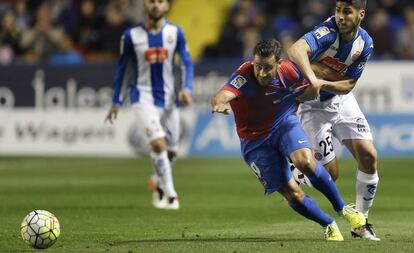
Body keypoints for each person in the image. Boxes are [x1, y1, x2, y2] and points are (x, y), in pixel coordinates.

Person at [211, 39, 366, 241]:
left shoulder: (290, 71)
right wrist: (220, 104)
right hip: (254, 142)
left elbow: (310, 91)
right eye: (258, 66)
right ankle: (327, 224)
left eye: (268, 67)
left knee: (306, 162)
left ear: (278, 63)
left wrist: (315, 89)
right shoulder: (244, 75)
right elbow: (221, 95)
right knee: (292, 193)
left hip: (284, 124)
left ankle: (343, 207)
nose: (262, 73)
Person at [287, 0, 380, 240]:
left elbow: (349, 84)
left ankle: (360, 223)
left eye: (347, 12)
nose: (340, 16)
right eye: (338, 10)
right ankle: (295, 170)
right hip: (311, 108)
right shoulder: (327, 32)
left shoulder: (365, 43)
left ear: (361, 14)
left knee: (369, 155)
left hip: (342, 102)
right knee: (330, 175)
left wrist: (324, 80)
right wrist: (312, 76)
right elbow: (295, 50)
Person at [105, 0, 193, 210]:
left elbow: (187, 62)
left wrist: (186, 88)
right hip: (142, 97)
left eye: (160, 1)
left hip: (170, 99)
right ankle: (170, 195)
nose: (155, 5)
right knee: (158, 144)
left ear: (166, 6)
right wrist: (116, 101)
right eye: (151, 1)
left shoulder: (175, 32)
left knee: (171, 152)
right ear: (145, 5)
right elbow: (122, 69)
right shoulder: (131, 36)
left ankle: (157, 180)